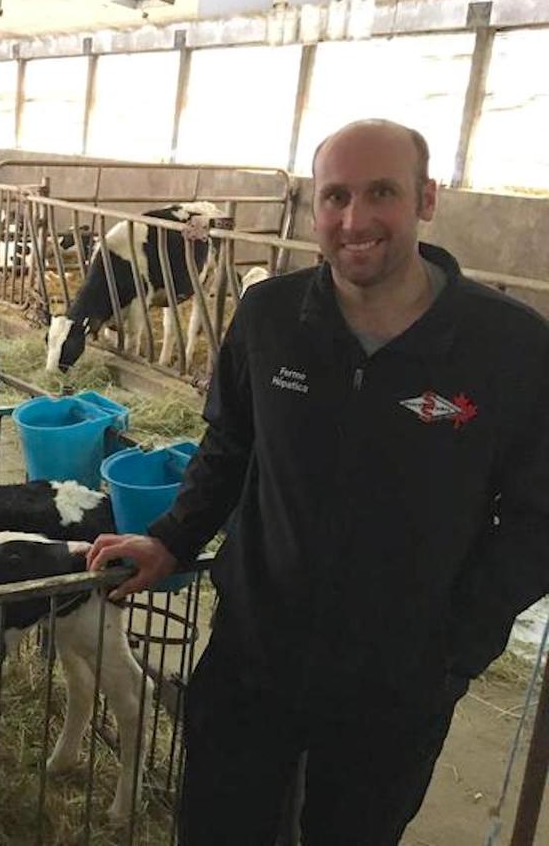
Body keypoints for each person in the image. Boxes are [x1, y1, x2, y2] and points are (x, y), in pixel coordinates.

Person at [88, 119, 549, 844]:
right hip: (253, 652)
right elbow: (231, 445)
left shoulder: (510, 348)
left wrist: (458, 644)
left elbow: (536, 516)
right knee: (216, 828)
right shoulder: (270, 316)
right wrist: (172, 539)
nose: (355, 220)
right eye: (335, 196)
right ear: (313, 208)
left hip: (397, 682)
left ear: (426, 199)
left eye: (381, 193)